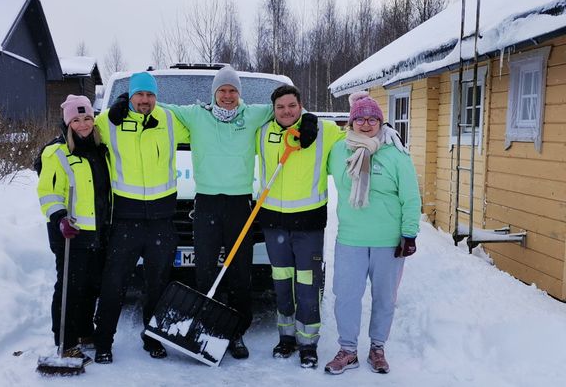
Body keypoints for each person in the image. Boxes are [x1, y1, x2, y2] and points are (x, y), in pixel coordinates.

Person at [108, 66, 319, 359]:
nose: (228, 96)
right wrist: (122, 101)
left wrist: (308, 118)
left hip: (240, 203)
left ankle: (236, 333)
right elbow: (155, 104)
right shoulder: (196, 116)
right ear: (214, 93)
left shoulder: (254, 115)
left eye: (233, 90)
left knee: (239, 272)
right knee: (206, 270)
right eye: (223, 90)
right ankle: (208, 328)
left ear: (239, 93)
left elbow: (287, 110)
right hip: (205, 202)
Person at [92, 72, 189, 364]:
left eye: (149, 95)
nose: (144, 100)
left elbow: (209, 124)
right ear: (131, 96)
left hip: (162, 218)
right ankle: (103, 341)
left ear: (156, 96)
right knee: (114, 282)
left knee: (158, 283)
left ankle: (153, 338)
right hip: (126, 218)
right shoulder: (110, 121)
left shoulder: (170, 120)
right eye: (139, 95)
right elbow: (77, 131)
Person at [324, 91, 421, 375]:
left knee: (384, 298)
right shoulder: (339, 150)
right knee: (346, 296)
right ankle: (348, 350)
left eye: (372, 119)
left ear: (381, 122)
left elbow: (411, 197)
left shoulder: (396, 153)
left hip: (387, 242)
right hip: (351, 239)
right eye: (360, 119)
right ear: (351, 122)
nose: (366, 124)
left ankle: (377, 348)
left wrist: (409, 234)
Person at [256, 85, 344, 368]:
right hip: (274, 224)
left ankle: (308, 343)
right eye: (280, 107)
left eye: (291, 105)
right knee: (281, 283)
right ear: (273, 110)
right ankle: (286, 338)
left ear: (301, 105)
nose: (286, 111)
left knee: (307, 285)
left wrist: (386, 130)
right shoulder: (262, 133)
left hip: (308, 225)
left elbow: (357, 134)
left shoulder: (323, 130)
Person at [36, 94, 111, 358]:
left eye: (87, 118)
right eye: (76, 120)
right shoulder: (56, 152)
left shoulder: (100, 150)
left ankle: (83, 329)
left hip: (97, 232)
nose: (83, 124)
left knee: (92, 285)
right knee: (70, 287)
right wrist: (59, 218)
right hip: (70, 232)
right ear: (67, 123)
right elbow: (47, 191)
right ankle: (66, 342)